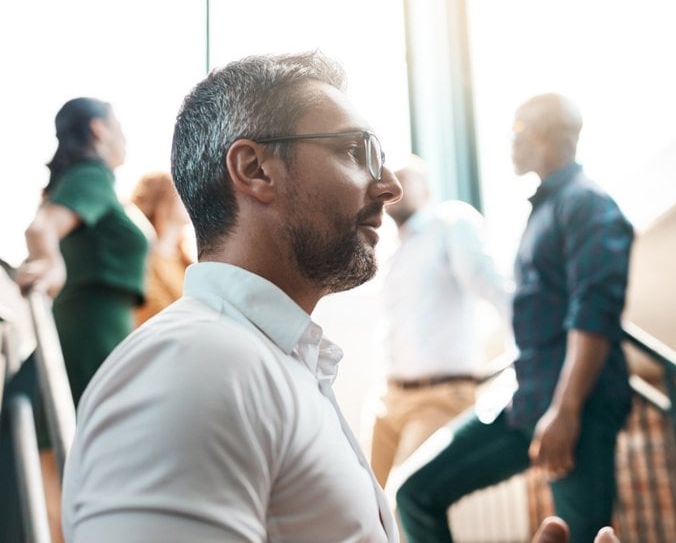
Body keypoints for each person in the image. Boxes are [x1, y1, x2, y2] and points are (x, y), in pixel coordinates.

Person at [61, 50, 404, 543]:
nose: (389, 186)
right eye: (354, 151)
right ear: (255, 169)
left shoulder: (268, 360)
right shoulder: (193, 364)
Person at [395, 93, 634, 543]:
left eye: (516, 130)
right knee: (414, 492)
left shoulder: (587, 204)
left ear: (541, 132)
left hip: (576, 408)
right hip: (523, 399)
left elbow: (594, 314)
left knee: (581, 537)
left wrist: (566, 411)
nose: (509, 142)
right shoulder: (543, 209)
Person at [370, 155, 512, 488]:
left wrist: (526, 360)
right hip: (388, 399)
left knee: (405, 499)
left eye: (405, 177)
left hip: (440, 396)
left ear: (427, 192)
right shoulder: (390, 250)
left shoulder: (450, 225)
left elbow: (495, 291)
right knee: (364, 503)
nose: (392, 182)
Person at [16, 97, 148, 406]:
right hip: (91, 335)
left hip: (95, 328)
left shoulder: (83, 179)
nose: (124, 136)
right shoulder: (92, 175)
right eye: (118, 126)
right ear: (98, 128)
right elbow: (41, 228)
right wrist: (50, 261)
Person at [128, 171, 193, 326]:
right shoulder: (143, 260)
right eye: (181, 189)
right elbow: (154, 315)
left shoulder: (186, 262)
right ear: (163, 197)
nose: (191, 195)